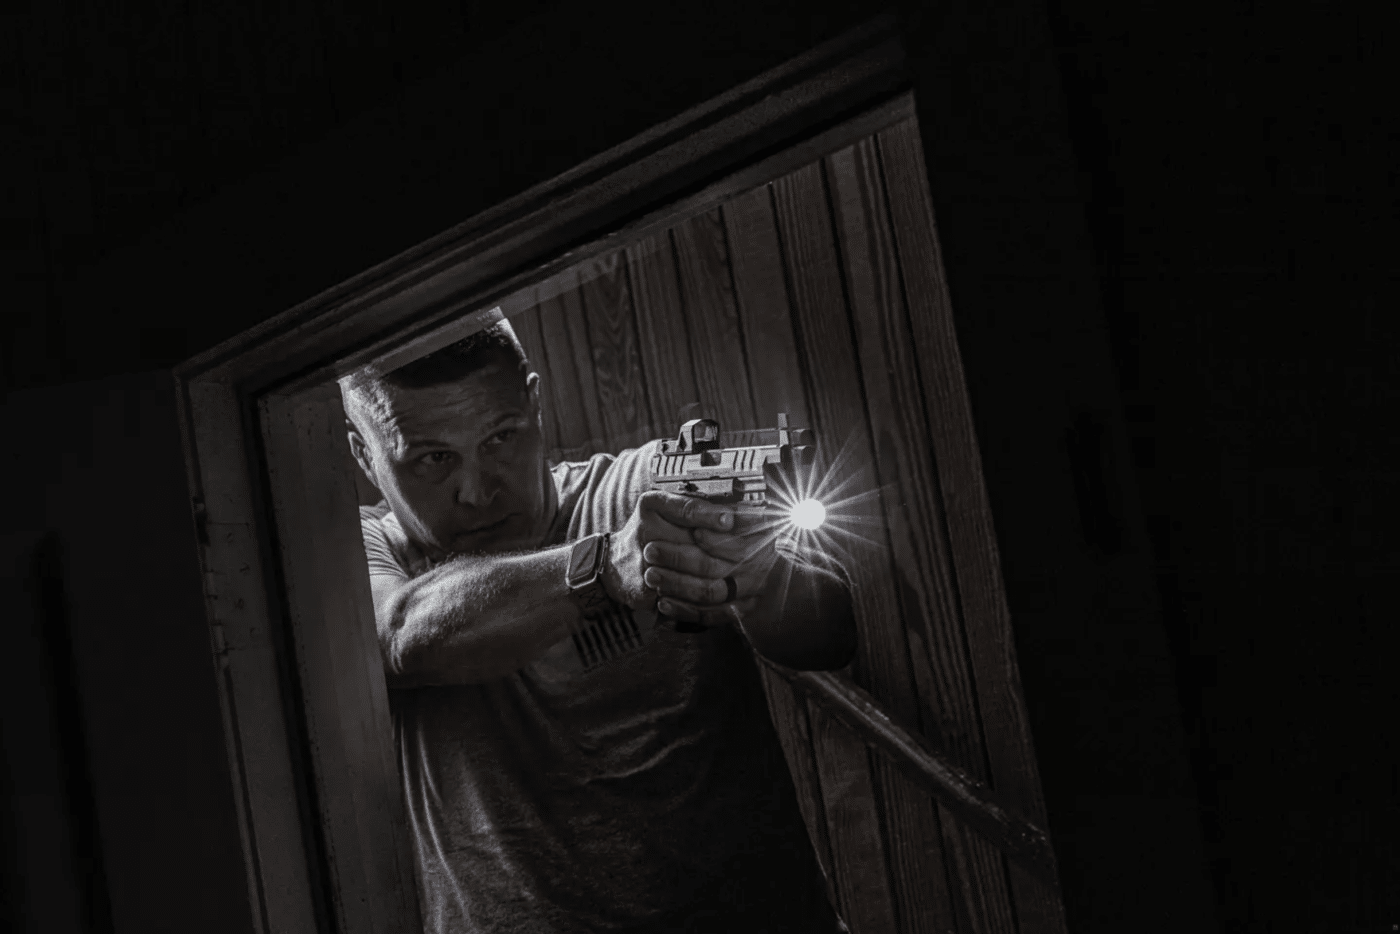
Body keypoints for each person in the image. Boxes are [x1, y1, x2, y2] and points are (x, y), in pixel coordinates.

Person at [341, 318, 857, 933]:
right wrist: (603, 567)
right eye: (432, 459)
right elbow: (400, 636)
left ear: (535, 403)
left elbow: (828, 634)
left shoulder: (645, 489)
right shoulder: (366, 548)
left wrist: (760, 577)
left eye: (502, 437)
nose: (477, 491)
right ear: (365, 456)